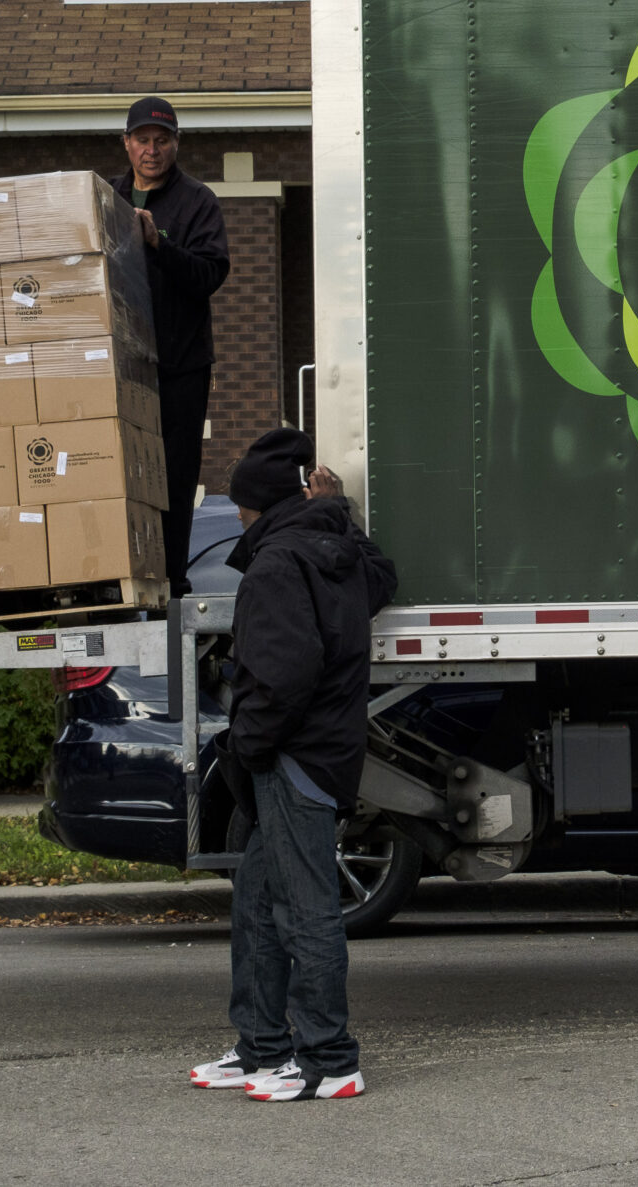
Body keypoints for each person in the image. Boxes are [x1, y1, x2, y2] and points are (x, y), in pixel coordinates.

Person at [191, 427, 397, 1103]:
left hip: (294, 757)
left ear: (249, 503)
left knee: (305, 910)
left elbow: (280, 679)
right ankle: (263, 1046)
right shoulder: (327, 549)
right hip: (317, 750)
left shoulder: (279, 565)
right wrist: (341, 511)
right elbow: (381, 576)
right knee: (258, 902)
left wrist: (247, 748)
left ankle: (330, 1060)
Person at [108, 97, 229, 598]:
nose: (151, 151)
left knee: (173, 479)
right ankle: (119, 577)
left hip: (179, 367)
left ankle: (171, 583)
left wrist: (161, 244)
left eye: (161, 141)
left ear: (176, 144)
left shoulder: (197, 201)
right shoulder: (107, 197)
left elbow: (210, 275)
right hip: (121, 367)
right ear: (127, 144)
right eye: (142, 140)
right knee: (118, 473)